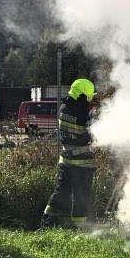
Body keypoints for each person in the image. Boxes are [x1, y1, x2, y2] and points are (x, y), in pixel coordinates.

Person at [41, 78, 96, 229]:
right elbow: (92, 133)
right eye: (90, 96)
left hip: (65, 160)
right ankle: (80, 229)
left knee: (61, 193)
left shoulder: (64, 107)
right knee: (81, 196)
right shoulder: (83, 113)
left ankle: (47, 223)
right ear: (84, 95)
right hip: (82, 163)